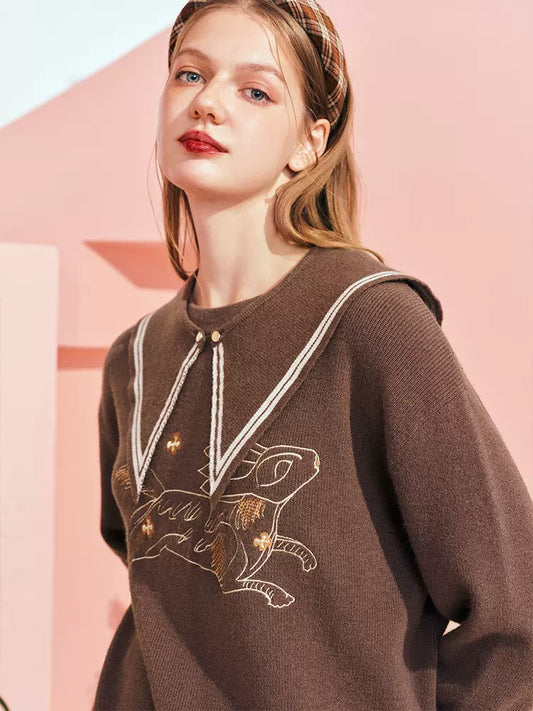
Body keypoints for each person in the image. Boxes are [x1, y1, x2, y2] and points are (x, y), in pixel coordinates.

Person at [93, 1, 533, 709]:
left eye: (254, 90)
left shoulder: (373, 323)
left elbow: (516, 620)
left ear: (309, 141)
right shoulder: (134, 361)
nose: (206, 103)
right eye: (189, 74)